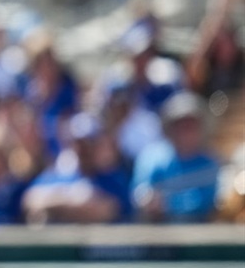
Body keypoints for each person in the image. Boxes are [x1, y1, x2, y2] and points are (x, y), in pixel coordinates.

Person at [21, 112, 132, 225]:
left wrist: (55, 203)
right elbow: (30, 200)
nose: (84, 149)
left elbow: (105, 212)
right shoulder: (58, 174)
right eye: (79, 143)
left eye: (90, 144)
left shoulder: (112, 178)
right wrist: (75, 201)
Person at [133, 92, 220, 223]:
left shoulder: (210, 163)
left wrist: (169, 204)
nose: (186, 130)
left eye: (192, 125)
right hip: (156, 237)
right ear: (170, 127)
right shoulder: (151, 158)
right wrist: (149, 202)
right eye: (181, 124)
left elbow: (206, 203)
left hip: (199, 237)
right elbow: (140, 196)